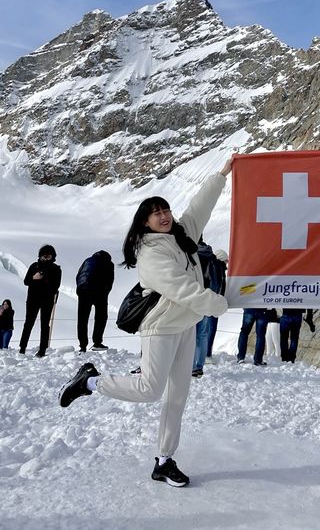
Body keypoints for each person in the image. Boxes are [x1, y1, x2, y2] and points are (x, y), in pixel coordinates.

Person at [58, 158, 232, 487]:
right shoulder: (150, 253)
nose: (164, 216)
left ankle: (164, 461)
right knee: (150, 390)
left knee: (178, 395)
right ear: (145, 222)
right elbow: (181, 289)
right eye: (156, 213)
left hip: (186, 326)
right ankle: (90, 382)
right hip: (161, 328)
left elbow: (199, 207)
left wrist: (222, 174)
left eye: (165, 209)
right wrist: (216, 304)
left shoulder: (181, 236)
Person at [192, 242, 227, 377]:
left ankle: (188, 364)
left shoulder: (194, 258)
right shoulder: (215, 263)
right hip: (208, 303)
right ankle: (198, 365)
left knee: (190, 334)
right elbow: (218, 286)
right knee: (202, 334)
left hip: (194, 300)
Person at [19, 244, 62, 357]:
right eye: (44, 256)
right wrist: (34, 278)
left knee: (44, 324)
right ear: (40, 256)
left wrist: (43, 281)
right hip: (33, 299)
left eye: (48, 256)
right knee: (28, 323)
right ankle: (22, 348)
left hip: (47, 300)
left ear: (52, 257)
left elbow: (55, 286)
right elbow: (26, 281)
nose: (46, 258)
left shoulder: (56, 269)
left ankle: (42, 349)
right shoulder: (34, 266)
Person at [76, 250, 115, 352]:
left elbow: (79, 275)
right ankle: (97, 342)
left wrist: (80, 289)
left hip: (83, 291)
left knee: (82, 319)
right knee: (101, 317)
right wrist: (105, 292)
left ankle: (82, 346)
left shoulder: (87, 261)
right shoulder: (108, 263)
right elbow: (110, 279)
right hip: (99, 292)